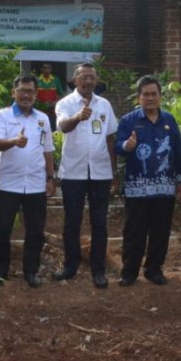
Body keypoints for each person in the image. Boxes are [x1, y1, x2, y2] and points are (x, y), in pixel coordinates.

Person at [116, 76, 181, 286]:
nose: (150, 98)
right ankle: (129, 271)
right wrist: (128, 145)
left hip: (164, 188)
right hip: (137, 188)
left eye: (154, 94)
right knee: (134, 231)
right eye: (145, 94)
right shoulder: (129, 120)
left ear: (160, 96)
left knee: (161, 230)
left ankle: (154, 269)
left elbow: (178, 152)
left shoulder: (169, 120)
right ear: (139, 97)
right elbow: (118, 146)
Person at [53, 62, 118, 288]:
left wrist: (113, 171)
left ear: (96, 80)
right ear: (74, 80)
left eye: (92, 77)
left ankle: (98, 269)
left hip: (100, 172)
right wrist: (78, 117)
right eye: (84, 77)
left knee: (99, 223)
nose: (88, 81)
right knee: (72, 222)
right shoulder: (65, 103)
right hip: (73, 172)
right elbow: (62, 126)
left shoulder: (105, 105)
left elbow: (110, 138)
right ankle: (70, 266)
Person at [0, 74, 56, 288]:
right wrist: (14, 141)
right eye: (22, 90)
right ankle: (0, 272)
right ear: (13, 93)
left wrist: (50, 177)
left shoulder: (43, 119)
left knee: (35, 231)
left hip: (36, 184)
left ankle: (31, 271)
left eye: (30, 91)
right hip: (7, 183)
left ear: (36, 95)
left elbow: (48, 150)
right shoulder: (2, 115)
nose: (26, 95)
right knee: (2, 231)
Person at [36, 63, 66, 127]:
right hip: (40, 109)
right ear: (42, 69)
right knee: (40, 127)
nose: (47, 70)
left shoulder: (56, 79)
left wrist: (55, 102)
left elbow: (61, 94)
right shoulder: (36, 80)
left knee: (52, 126)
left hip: (52, 110)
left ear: (51, 69)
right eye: (45, 68)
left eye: (49, 68)